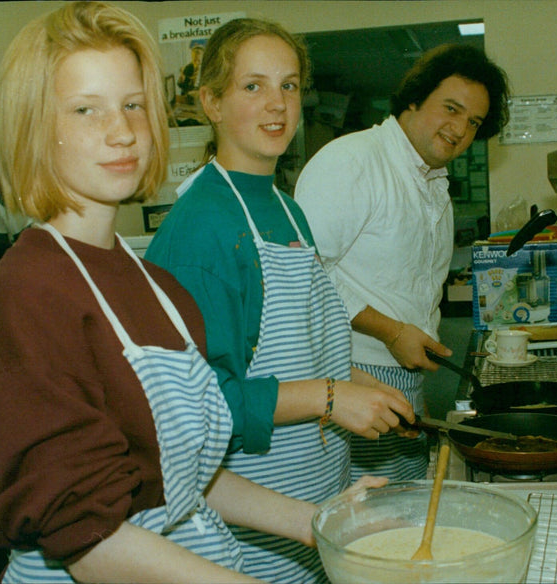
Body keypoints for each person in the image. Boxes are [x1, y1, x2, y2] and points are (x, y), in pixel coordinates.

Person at [0, 4, 386, 583]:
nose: (122, 130)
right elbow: (90, 542)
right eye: (85, 110)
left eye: (132, 105)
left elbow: (182, 474)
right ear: (33, 127)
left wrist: (317, 519)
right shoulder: (25, 294)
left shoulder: (154, 285)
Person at [144, 18, 416, 583]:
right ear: (210, 102)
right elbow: (200, 412)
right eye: (253, 86)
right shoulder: (203, 229)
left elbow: (299, 350)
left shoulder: (287, 209)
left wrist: (360, 386)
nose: (277, 105)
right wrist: (331, 397)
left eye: (289, 85)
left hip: (315, 494)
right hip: (252, 531)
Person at [295, 44, 511, 482]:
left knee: (401, 512)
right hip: (351, 370)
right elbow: (305, 273)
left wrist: (415, 372)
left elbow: (409, 291)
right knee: (362, 519)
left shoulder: (431, 182)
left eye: (473, 122)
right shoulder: (354, 161)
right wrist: (392, 332)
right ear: (414, 98)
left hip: (403, 373)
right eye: (451, 109)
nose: (460, 130)